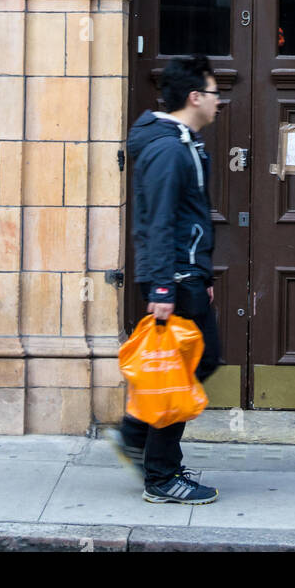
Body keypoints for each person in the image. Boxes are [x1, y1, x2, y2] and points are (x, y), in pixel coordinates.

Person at [107, 53, 222, 504]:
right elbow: (158, 220)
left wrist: (202, 272)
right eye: (214, 93)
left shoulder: (182, 143)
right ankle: (160, 475)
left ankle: (136, 434)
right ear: (195, 97)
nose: (219, 102)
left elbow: (186, 217)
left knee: (200, 361)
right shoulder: (168, 149)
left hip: (184, 273)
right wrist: (162, 287)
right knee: (181, 369)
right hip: (171, 277)